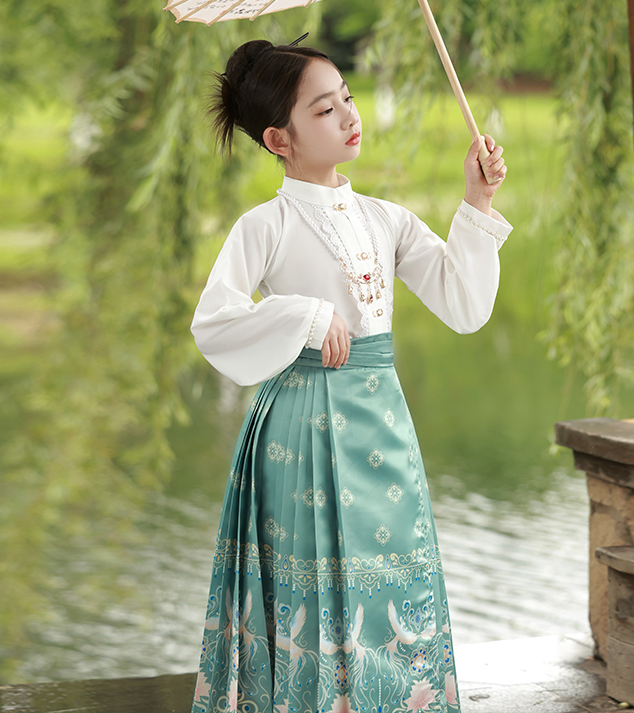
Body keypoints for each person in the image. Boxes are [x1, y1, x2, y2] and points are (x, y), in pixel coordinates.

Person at [190, 36, 511, 713]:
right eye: (324, 110)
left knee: (395, 575)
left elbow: (464, 303)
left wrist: (476, 202)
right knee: (318, 585)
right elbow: (214, 320)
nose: (347, 115)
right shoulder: (265, 226)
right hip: (301, 426)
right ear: (279, 139)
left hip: (383, 419)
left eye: (347, 99)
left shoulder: (385, 219)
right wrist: (302, 316)